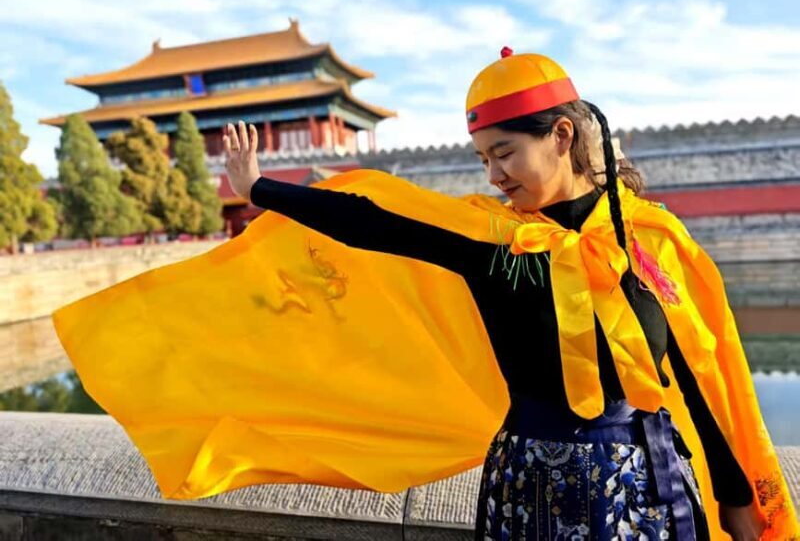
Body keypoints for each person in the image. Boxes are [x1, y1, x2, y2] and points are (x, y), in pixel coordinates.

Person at [54, 51, 797, 541]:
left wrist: (739, 498)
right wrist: (263, 192)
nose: (494, 173)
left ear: (562, 136)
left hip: (648, 488)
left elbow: (703, 380)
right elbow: (372, 222)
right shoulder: (492, 243)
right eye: (483, 158)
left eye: (505, 153)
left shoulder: (652, 241)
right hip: (529, 488)